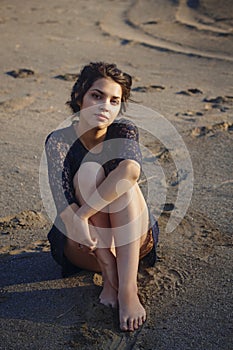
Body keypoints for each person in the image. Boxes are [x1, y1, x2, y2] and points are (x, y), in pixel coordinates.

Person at [45, 62, 159, 332]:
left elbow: (131, 170)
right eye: (97, 96)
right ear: (79, 96)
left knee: (125, 180)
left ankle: (127, 290)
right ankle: (112, 278)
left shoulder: (123, 131)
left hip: (132, 242)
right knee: (87, 173)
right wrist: (107, 266)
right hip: (85, 247)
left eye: (114, 100)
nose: (105, 105)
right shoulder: (59, 141)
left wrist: (82, 214)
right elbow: (62, 203)